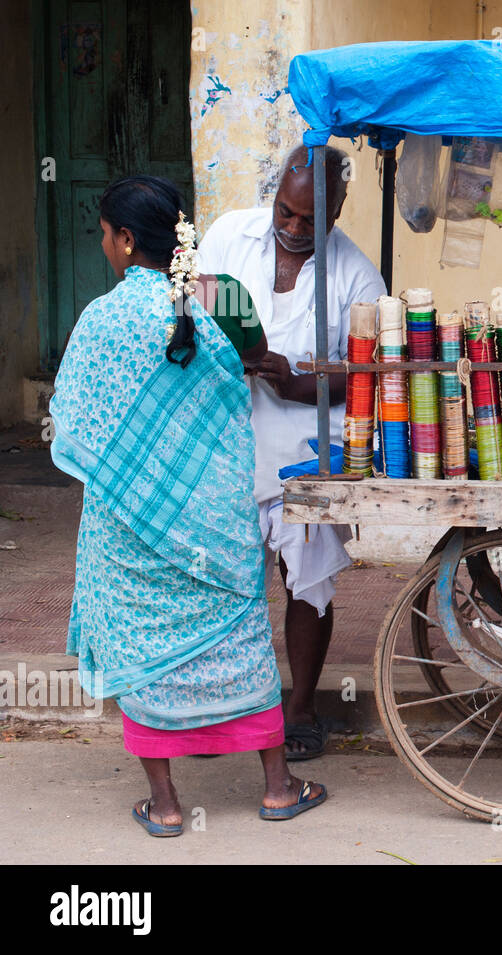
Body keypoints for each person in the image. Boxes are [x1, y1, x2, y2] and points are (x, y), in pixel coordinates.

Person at [50, 175, 326, 836]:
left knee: (142, 643)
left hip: (131, 521)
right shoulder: (222, 297)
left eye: (106, 237)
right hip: (216, 518)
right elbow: (261, 360)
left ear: (124, 240)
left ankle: (167, 804)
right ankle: (278, 787)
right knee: (240, 638)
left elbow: (79, 426)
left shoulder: (100, 319)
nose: (105, 249)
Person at [198, 144, 386, 760]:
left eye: (310, 220)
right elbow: (194, 314)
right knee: (221, 580)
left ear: (337, 212)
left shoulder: (355, 274)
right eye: (286, 211)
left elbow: (373, 375)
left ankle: (300, 708)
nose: (293, 227)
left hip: (307, 443)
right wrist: (233, 354)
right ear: (276, 189)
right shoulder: (229, 237)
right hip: (226, 438)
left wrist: (298, 382)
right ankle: (217, 707)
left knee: (305, 581)